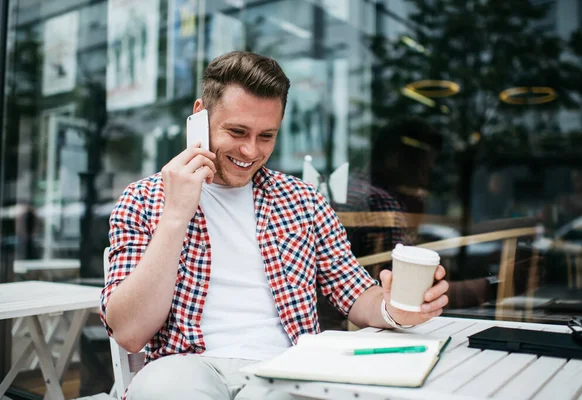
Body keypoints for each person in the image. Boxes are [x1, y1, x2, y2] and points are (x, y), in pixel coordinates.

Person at [100, 51, 449, 400]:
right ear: (199, 117)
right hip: (184, 366)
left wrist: (395, 309)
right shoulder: (144, 199)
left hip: (285, 366)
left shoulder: (302, 200)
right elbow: (129, 333)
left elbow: (354, 293)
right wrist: (175, 215)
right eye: (237, 131)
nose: (250, 151)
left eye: (266, 136)